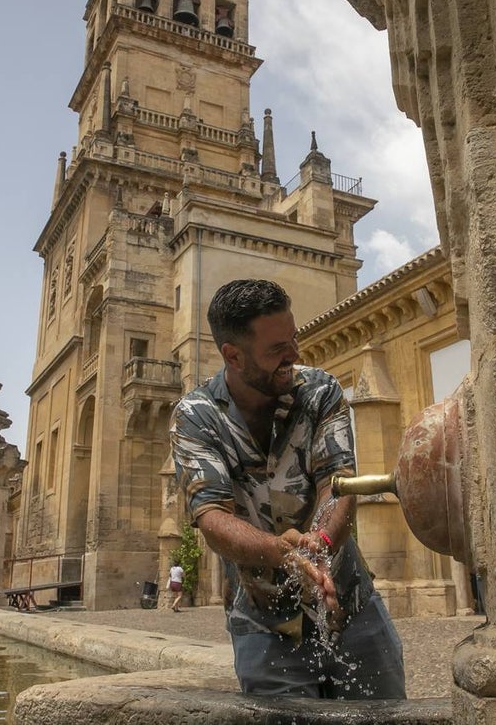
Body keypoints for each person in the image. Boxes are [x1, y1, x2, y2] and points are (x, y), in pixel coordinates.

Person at [171, 279, 406, 699]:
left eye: (293, 338)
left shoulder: (320, 390)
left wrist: (320, 541)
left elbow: (337, 483)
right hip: (263, 623)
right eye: (277, 348)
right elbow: (212, 516)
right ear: (233, 355)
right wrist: (283, 553)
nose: (294, 354)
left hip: (349, 603)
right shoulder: (195, 417)